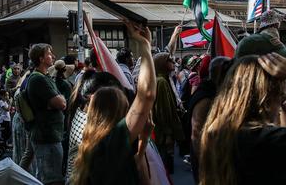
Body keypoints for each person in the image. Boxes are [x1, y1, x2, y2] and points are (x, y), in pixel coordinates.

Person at [71, 22, 157, 185]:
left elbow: (132, 167)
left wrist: (143, 141)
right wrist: (145, 45)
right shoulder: (110, 141)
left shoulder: (91, 139)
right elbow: (147, 95)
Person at [200, 53, 286, 185]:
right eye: (281, 95)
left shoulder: (217, 129)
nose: (281, 102)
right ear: (268, 96)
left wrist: (282, 94)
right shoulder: (267, 140)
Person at [187, 56, 232, 182]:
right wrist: (206, 166)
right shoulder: (205, 97)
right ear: (220, 73)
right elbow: (196, 134)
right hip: (208, 163)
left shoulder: (214, 91)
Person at [26, 43, 66, 185]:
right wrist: (57, 101)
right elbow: (61, 103)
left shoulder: (44, 77)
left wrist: (56, 101)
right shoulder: (38, 79)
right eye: (49, 53)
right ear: (41, 58)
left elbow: (59, 100)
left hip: (50, 135)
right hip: (46, 136)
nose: (53, 56)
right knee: (51, 179)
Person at [152, 52, 185, 173]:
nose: (173, 62)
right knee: (166, 167)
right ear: (162, 64)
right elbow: (162, 111)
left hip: (163, 133)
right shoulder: (161, 82)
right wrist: (168, 135)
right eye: (169, 60)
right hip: (163, 134)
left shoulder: (165, 79)